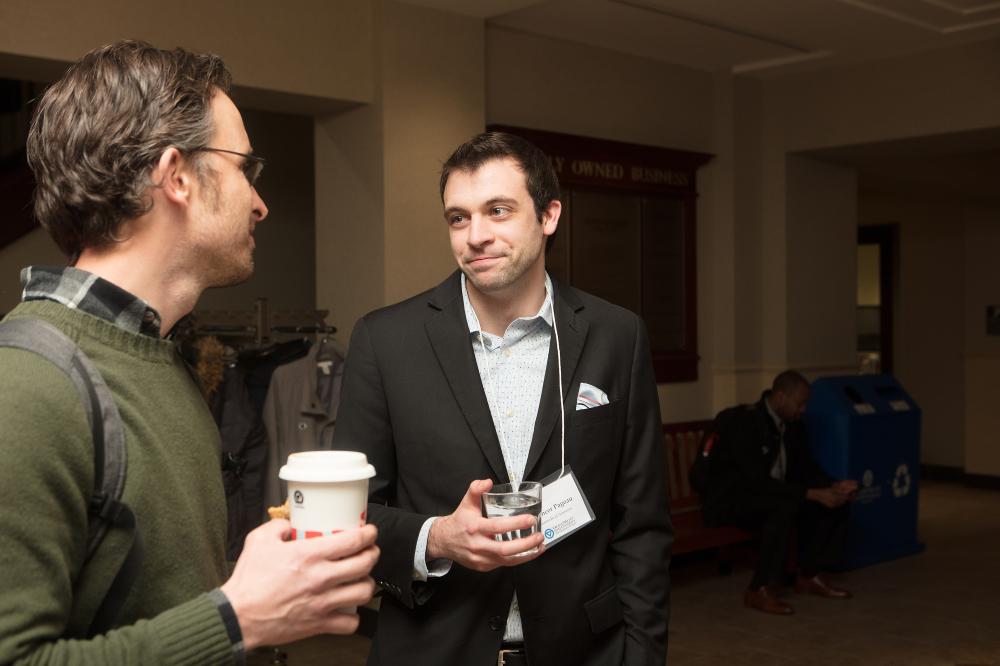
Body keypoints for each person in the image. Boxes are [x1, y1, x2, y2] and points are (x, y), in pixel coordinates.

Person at [0, 41, 378, 665]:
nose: (260, 202)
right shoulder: (27, 383)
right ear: (176, 175)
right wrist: (240, 618)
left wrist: (258, 592)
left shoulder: (162, 362)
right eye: (244, 168)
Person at [331, 131, 672, 665]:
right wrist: (437, 538)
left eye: (498, 211)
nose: (476, 236)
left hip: (584, 652)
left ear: (549, 215)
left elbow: (643, 526)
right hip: (435, 650)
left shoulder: (617, 336)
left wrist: (642, 657)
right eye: (458, 218)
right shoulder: (386, 340)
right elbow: (347, 514)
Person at [702, 370, 857, 615]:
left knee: (835, 502)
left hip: (772, 495)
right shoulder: (746, 423)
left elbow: (806, 467)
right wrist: (811, 494)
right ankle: (759, 588)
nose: (804, 409)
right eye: (800, 403)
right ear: (781, 397)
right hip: (732, 500)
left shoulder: (793, 426)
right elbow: (755, 482)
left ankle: (809, 574)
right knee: (783, 508)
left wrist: (834, 486)